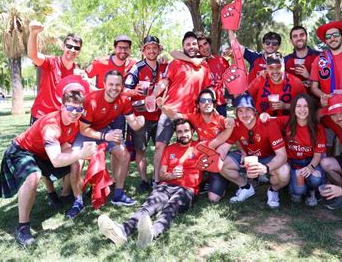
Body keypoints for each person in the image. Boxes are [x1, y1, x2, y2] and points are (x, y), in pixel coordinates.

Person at [97, 118, 233, 248]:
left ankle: (151, 234)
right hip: (166, 186)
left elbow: (220, 139)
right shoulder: (169, 149)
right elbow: (162, 174)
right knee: (147, 207)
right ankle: (122, 231)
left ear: (192, 132)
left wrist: (230, 126)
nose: (183, 134)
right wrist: (172, 175)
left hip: (187, 190)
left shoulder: (200, 146)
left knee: (170, 209)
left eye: (186, 131)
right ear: (176, 133)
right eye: (180, 132)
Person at [0, 89, 97, 246]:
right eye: (70, 108)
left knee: (76, 161)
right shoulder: (51, 125)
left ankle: (78, 201)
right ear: (62, 107)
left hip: (42, 154)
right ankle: (22, 228)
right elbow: (56, 160)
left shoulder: (75, 123)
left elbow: (64, 146)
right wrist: (80, 153)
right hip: (22, 151)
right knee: (33, 176)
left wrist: (81, 154)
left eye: (79, 109)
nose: (75, 112)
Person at [72, 70, 145, 209]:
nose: (114, 88)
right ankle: (77, 200)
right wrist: (105, 136)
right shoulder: (91, 99)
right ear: (104, 84)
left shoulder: (124, 100)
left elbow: (134, 124)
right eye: (110, 84)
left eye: (118, 85)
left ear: (122, 86)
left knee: (125, 155)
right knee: (76, 164)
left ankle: (118, 194)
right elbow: (83, 129)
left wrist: (140, 122)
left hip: (103, 130)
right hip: (84, 131)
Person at [147, 31, 213, 183]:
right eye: (188, 44)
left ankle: (200, 179)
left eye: (194, 44)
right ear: (183, 46)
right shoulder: (175, 63)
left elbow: (208, 89)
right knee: (160, 145)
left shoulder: (204, 66)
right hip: (170, 110)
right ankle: (157, 180)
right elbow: (164, 82)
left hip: (192, 113)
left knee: (203, 145)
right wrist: (154, 94)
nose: (191, 46)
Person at [157, 88, 231, 202]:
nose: (207, 103)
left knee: (213, 198)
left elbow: (232, 135)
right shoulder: (195, 117)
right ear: (198, 104)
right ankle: (206, 179)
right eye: (203, 100)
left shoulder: (221, 120)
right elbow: (175, 116)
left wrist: (231, 123)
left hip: (218, 159)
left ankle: (224, 179)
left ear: (214, 103)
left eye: (209, 100)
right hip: (203, 156)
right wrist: (162, 107)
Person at [216, 94, 290, 208]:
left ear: (255, 111)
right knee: (220, 162)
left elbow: (282, 155)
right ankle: (245, 187)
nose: (244, 114)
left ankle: (273, 190)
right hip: (248, 159)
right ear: (236, 113)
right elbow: (223, 148)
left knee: (284, 173)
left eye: (248, 110)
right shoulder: (235, 125)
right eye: (240, 111)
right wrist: (213, 158)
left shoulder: (268, 124)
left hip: (267, 158)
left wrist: (266, 168)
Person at [124, 35, 168, 192]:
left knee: (160, 148)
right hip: (140, 117)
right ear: (143, 51)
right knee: (140, 150)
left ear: (159, 49)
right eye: (148, 48)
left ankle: (159, 178)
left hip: (160, 116)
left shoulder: (165, 67)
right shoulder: (137, 68)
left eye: (154, 48)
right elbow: (124, 89)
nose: (151, 51)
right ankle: (144, 180)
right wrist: (134, 91)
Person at [268, 93, 327, 206]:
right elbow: (269, 120)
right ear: (294, 109)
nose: (302, 109)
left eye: (306, 106)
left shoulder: (317, 128)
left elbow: (318, 155)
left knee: (316, 179)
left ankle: (311, 191)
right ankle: (295, 187)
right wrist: (265, 116)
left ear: (310, 109)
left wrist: (310, 168)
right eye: (298, 106)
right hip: (293, 163)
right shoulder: (286, 122)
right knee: (298, 192)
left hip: (310, 161)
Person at [27, 21, 83, 124]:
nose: (72, 50)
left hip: (62, 119)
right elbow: (33, 55)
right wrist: (33, 33)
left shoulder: (78, 73)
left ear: (79, 51)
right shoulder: (51, 63)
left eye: (76, 48)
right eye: (69, 46)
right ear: (63, 47)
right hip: (41, 117)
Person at [247, 52, 306, 116]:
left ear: (284, 67)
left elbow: (307, 104)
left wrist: (286, 106)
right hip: (263, 122)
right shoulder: (261, 79)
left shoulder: (295, 82)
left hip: (287, 123)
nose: (275, 71)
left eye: (278, 67)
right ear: (266, 68)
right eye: (271, 68)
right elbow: (246, 98)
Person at [283, 26, 320, 90]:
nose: (299, 38)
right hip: (293, 98)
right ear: (291, 41)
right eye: (295, 36)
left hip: (315, 98)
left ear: (307, 37)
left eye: (302, 35)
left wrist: (309, 76)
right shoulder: (285, 60)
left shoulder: (319, 56)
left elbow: (327, 82)